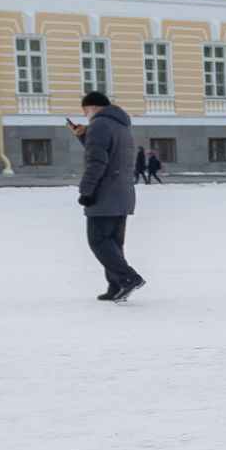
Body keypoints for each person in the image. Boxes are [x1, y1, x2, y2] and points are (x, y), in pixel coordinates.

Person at [71, 91, 144, 302]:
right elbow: (106, 154)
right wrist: (83, 135)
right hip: (122, 191)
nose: (85, 116)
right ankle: (115, 286)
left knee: (98, 240)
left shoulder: (99, 125)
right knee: (113, 242)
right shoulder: (120, 125)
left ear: (90, 107)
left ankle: (128, 278)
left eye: (85, 111)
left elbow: (97, 162)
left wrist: (86, 191)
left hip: (105, 193)